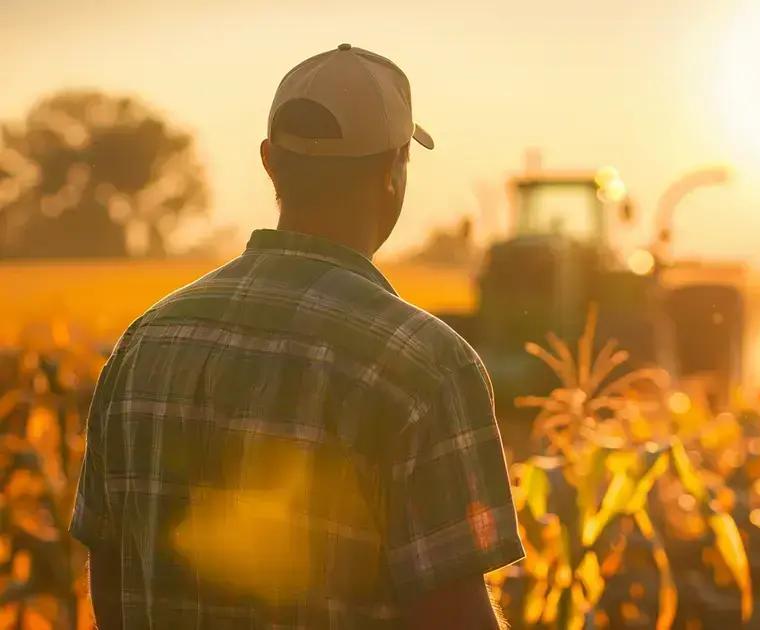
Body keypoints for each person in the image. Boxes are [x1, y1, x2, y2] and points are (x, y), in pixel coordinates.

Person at [69, 44, 524, 629]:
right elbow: (453, 618)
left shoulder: (144, 343)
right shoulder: (425, 365)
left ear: (270, 162)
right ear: (392, 170)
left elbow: (110, 580)